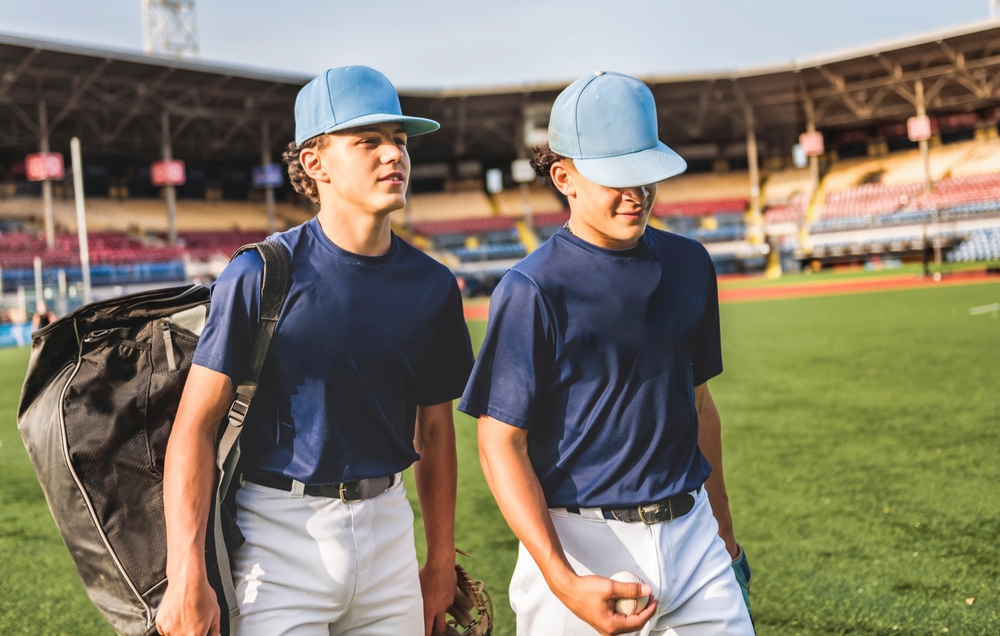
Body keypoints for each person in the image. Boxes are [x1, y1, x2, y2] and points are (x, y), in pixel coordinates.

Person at [156, 66, 475, 636]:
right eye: (368, 141)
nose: (394, 156)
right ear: (315, 162)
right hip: (277, 539)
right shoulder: (258, 273)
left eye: (400, 142)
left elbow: (434, 431)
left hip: (389, 534)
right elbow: (194, 427)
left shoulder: (432, 285)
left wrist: (440, 559)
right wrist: (186, 573)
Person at [459, 71, 755, 636]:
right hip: (582, 546)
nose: (637, 193)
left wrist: (725, 539)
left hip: (694, 536)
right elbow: (500, 444)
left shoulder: (690, 264)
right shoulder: (531, 289)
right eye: (617, 176)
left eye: (646, 174)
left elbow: (699, 408)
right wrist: (561, 577)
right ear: (563, 176)